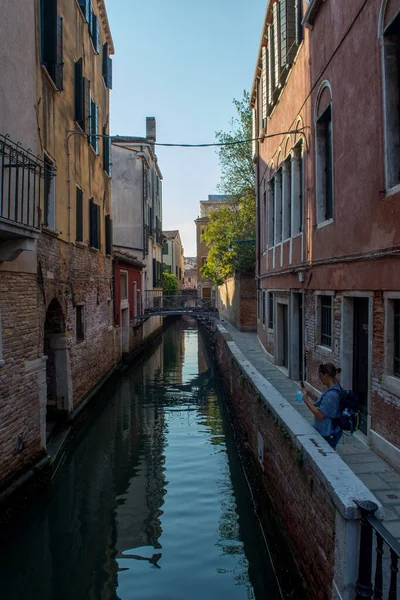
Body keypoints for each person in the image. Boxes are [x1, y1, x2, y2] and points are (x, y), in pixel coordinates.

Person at [301, 362, 342, 449]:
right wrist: (309, 395)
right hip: (326, 431)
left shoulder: (331, 395)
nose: (319, 379)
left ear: (325, 375)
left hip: (327, 433)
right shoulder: (333, 389)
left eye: (320, 376)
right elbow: (323, 405)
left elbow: (320, 415)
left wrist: (306, 401)